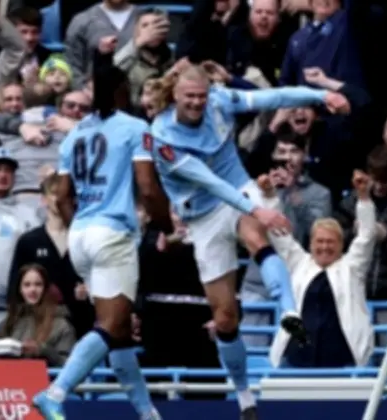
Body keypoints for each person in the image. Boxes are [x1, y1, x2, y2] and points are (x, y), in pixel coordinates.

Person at [147, 65, 350, 418]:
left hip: (238, 188)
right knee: (225, 318)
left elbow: (274, 97)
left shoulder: (220, 101)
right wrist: (260, 208)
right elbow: (209, 182)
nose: (197, 103)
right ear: (175, 96)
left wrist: (321, 95)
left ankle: (289, 311)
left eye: (201, 95)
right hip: (203, 215)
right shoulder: (163, 136)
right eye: (189, 97)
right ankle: (243, 394)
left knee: (254, 234)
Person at [33, 48, 171, 420]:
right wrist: (165, 223)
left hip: (80, 235)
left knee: (120, 331)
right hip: (112, 234)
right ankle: (55, 392)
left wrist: (83, 220)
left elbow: (60, 196)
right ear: (122, 91)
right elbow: (147, 186)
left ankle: (147, 413)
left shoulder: (75, 133)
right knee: (110, 326)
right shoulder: (135, 128)